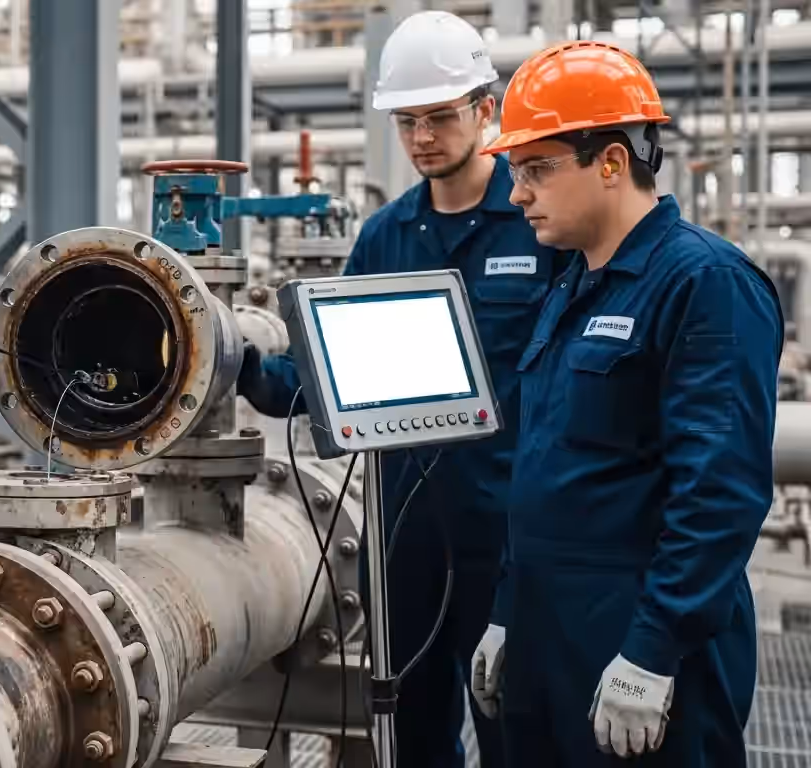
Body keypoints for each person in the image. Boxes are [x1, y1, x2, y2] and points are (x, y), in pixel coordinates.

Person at [237, 11, 566, 767]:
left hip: (509, 533)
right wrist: (245, 369)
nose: (421, 136)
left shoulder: (535, 223)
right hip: (402, 531)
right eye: (406, 120)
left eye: (440, 116)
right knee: (413, 732)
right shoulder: (386, 235)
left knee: (513, 728)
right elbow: (331, 374)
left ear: (486, 109)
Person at [468, 40, 782, 765]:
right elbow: (545, 465)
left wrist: (652, 650)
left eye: (537, 169)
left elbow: (719, 494)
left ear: (611, 162)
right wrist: (511, 611)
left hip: (635, 641)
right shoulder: (575, 286)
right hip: (549, 630)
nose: (517, 194)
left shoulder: (705, 285)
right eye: (517, 172)